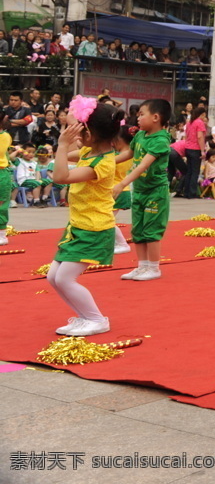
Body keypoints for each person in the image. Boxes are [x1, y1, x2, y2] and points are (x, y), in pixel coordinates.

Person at [47, 98, 122, 336]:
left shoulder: (103, 163)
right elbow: (71, 155)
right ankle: (84, 317)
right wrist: (73, 121)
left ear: (89, 134)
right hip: (79, 226)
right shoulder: (91, 150)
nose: (78, 135)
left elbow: (60, 176)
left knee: (65, 279)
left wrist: (61, 145)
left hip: (94, 229)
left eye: (81, 131)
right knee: (53, 277)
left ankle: (97, 320)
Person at [110, 98, 173, 280]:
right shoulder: (139, 135)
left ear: (155, 117)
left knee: (151, 230)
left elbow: (142, 166)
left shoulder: (160, 140)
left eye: (141, 114)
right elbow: (129, 154)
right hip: (140, 190)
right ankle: (141, 266)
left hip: (155, 191)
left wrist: (122, 183)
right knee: (137, 229)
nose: (138, 118)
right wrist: (106, 162)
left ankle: (154, 268)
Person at [180, 105, 207, 199]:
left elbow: (186, 135)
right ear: (202, 114)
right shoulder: (200, 123)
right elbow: (200, 137)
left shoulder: (189, 122)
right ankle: (192, 193)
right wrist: (203, 151)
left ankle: (186, 192)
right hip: (196, 148)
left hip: (188, 147)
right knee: (195, 172)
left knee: (189, 171)